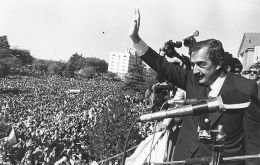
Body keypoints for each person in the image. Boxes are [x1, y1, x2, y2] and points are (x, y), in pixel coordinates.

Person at [129, 8, 260, 165]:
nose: (195, 71)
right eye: (193, 65)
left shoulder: (246, 88)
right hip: (184, 159)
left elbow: (253, 145)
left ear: (218, 63)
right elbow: (162, 66)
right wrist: (136, 38)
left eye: (201, 64)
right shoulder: (191, 80)